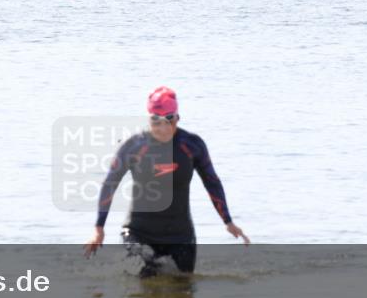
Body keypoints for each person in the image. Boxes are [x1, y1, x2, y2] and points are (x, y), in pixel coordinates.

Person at [83, 86, 248, 276]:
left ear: (178, 117)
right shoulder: (134, 145)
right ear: (149, 118)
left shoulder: (192, 145)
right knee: (145, 287)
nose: (163, 128)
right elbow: (110, 184)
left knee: (183, 293)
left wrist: (228, 221)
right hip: (138, 233)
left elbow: (212, 182)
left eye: (169, 119)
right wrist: (99, 228)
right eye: (156, 121)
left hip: (180, 235)